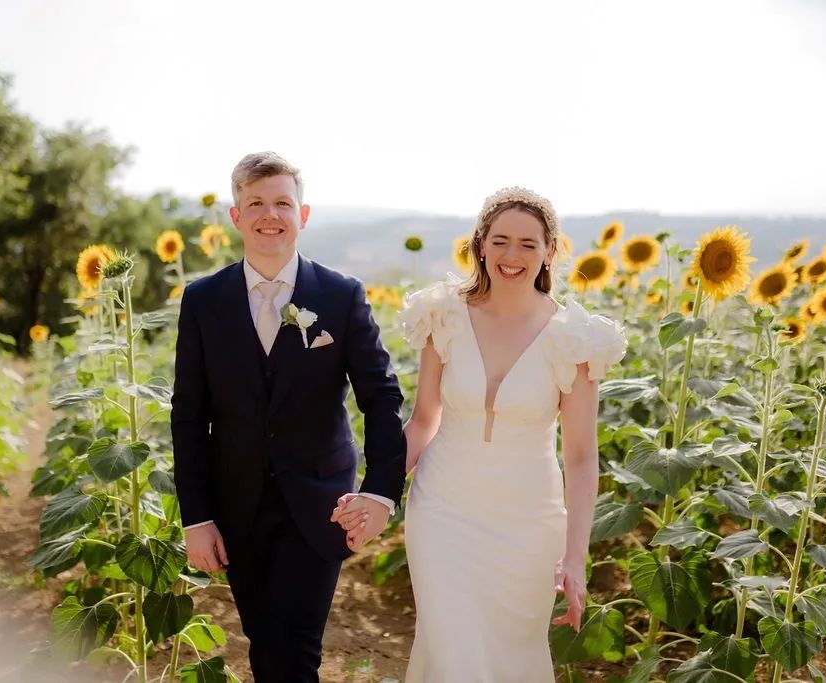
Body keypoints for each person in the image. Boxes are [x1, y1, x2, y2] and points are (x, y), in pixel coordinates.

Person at [335, 186, 626, 681]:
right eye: (500, 240)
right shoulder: (443, 317)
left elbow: (579, 458)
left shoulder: (575, 340)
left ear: (550, 252)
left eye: (528, 244)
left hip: (529, 522)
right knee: (453, 648)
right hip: (443, 509)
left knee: (511, 658)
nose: (512, 256)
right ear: (480, 244)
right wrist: (378, 493)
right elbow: (425, 420)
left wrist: (574, 558)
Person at [171, 151, 407, 682]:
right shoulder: (203, 301)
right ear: (236, 216)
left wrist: (380, 491)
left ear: (303, 215)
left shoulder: (341, 296)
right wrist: (197, 516)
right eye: (255, 202)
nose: (269, 214)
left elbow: (382, 396)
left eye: (282, 202)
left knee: (297, 646)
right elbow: (189, 416)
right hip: (237, 506)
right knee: (264, 643)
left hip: (322, 502)